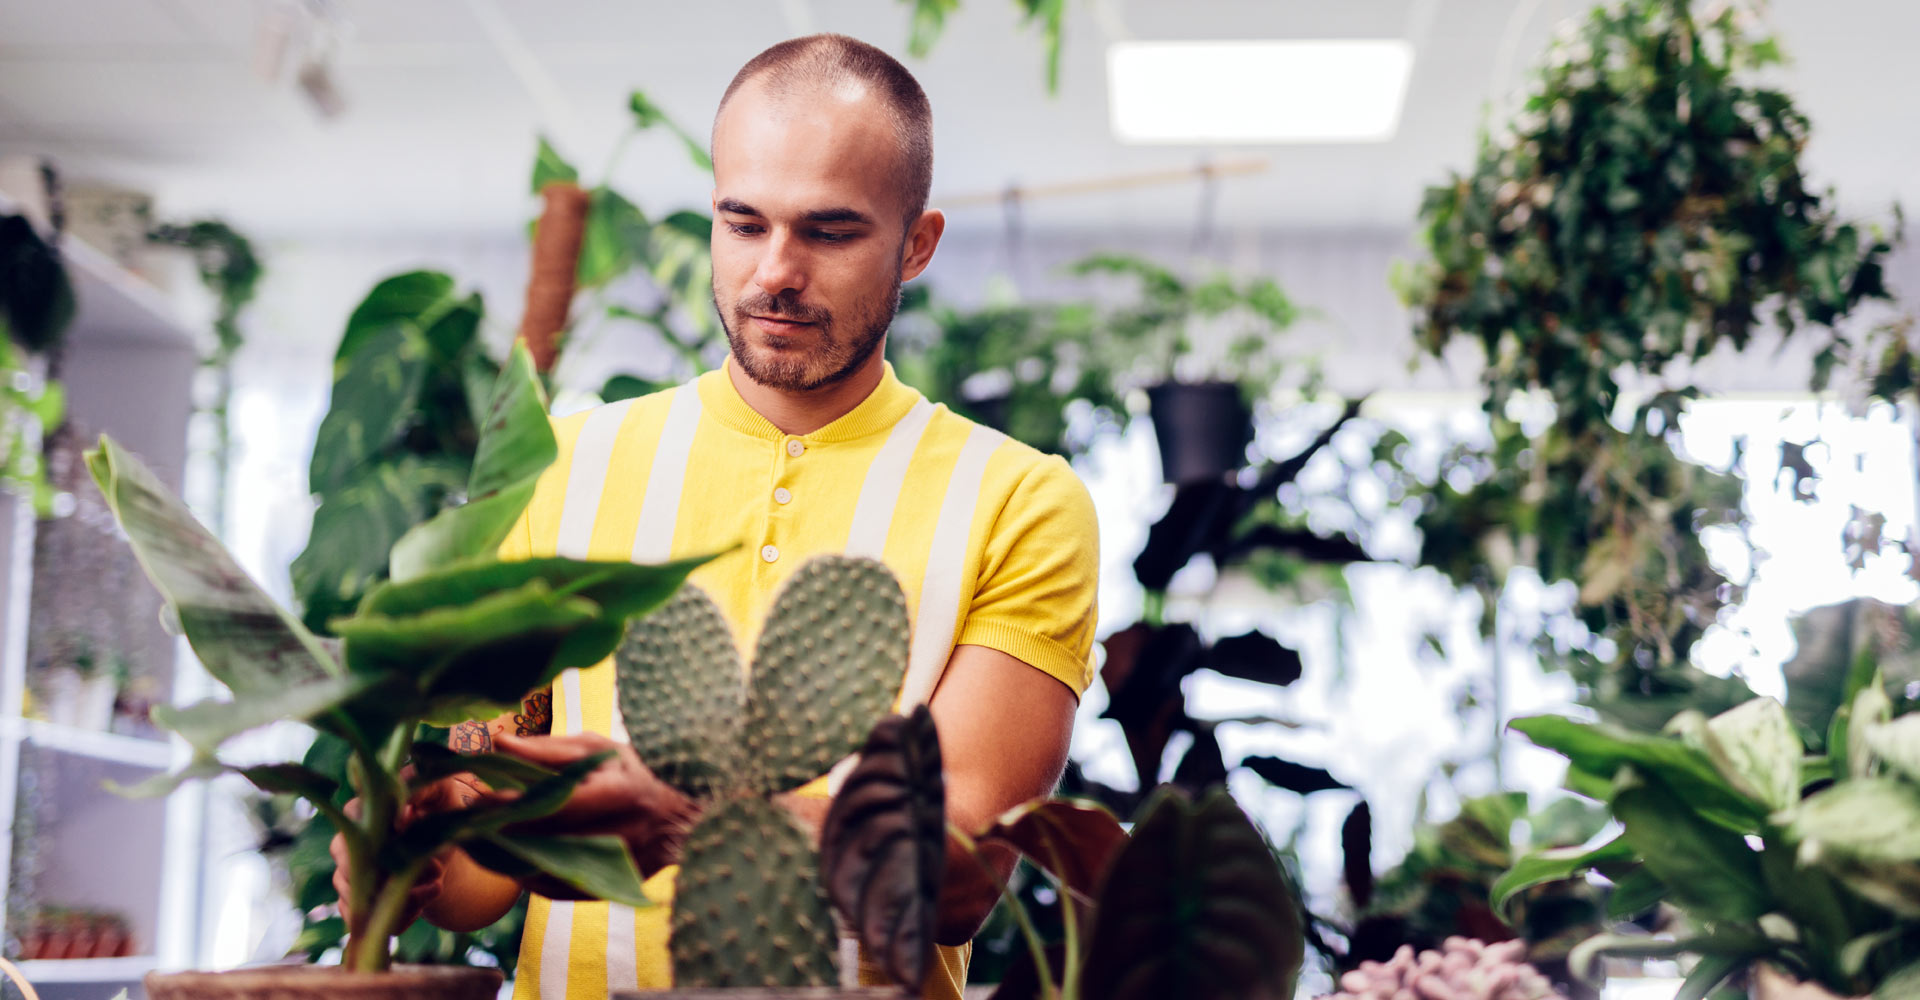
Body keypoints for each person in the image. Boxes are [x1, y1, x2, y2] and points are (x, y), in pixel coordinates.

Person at [331, 32, 1099, 1000]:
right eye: (744, 223)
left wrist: (678, 818)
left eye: (829, 231)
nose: (775, 272)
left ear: (917, 242)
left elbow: (958, 871)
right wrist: (418, 860)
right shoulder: (558, 466)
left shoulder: (1020, 500)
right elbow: (484, 881)